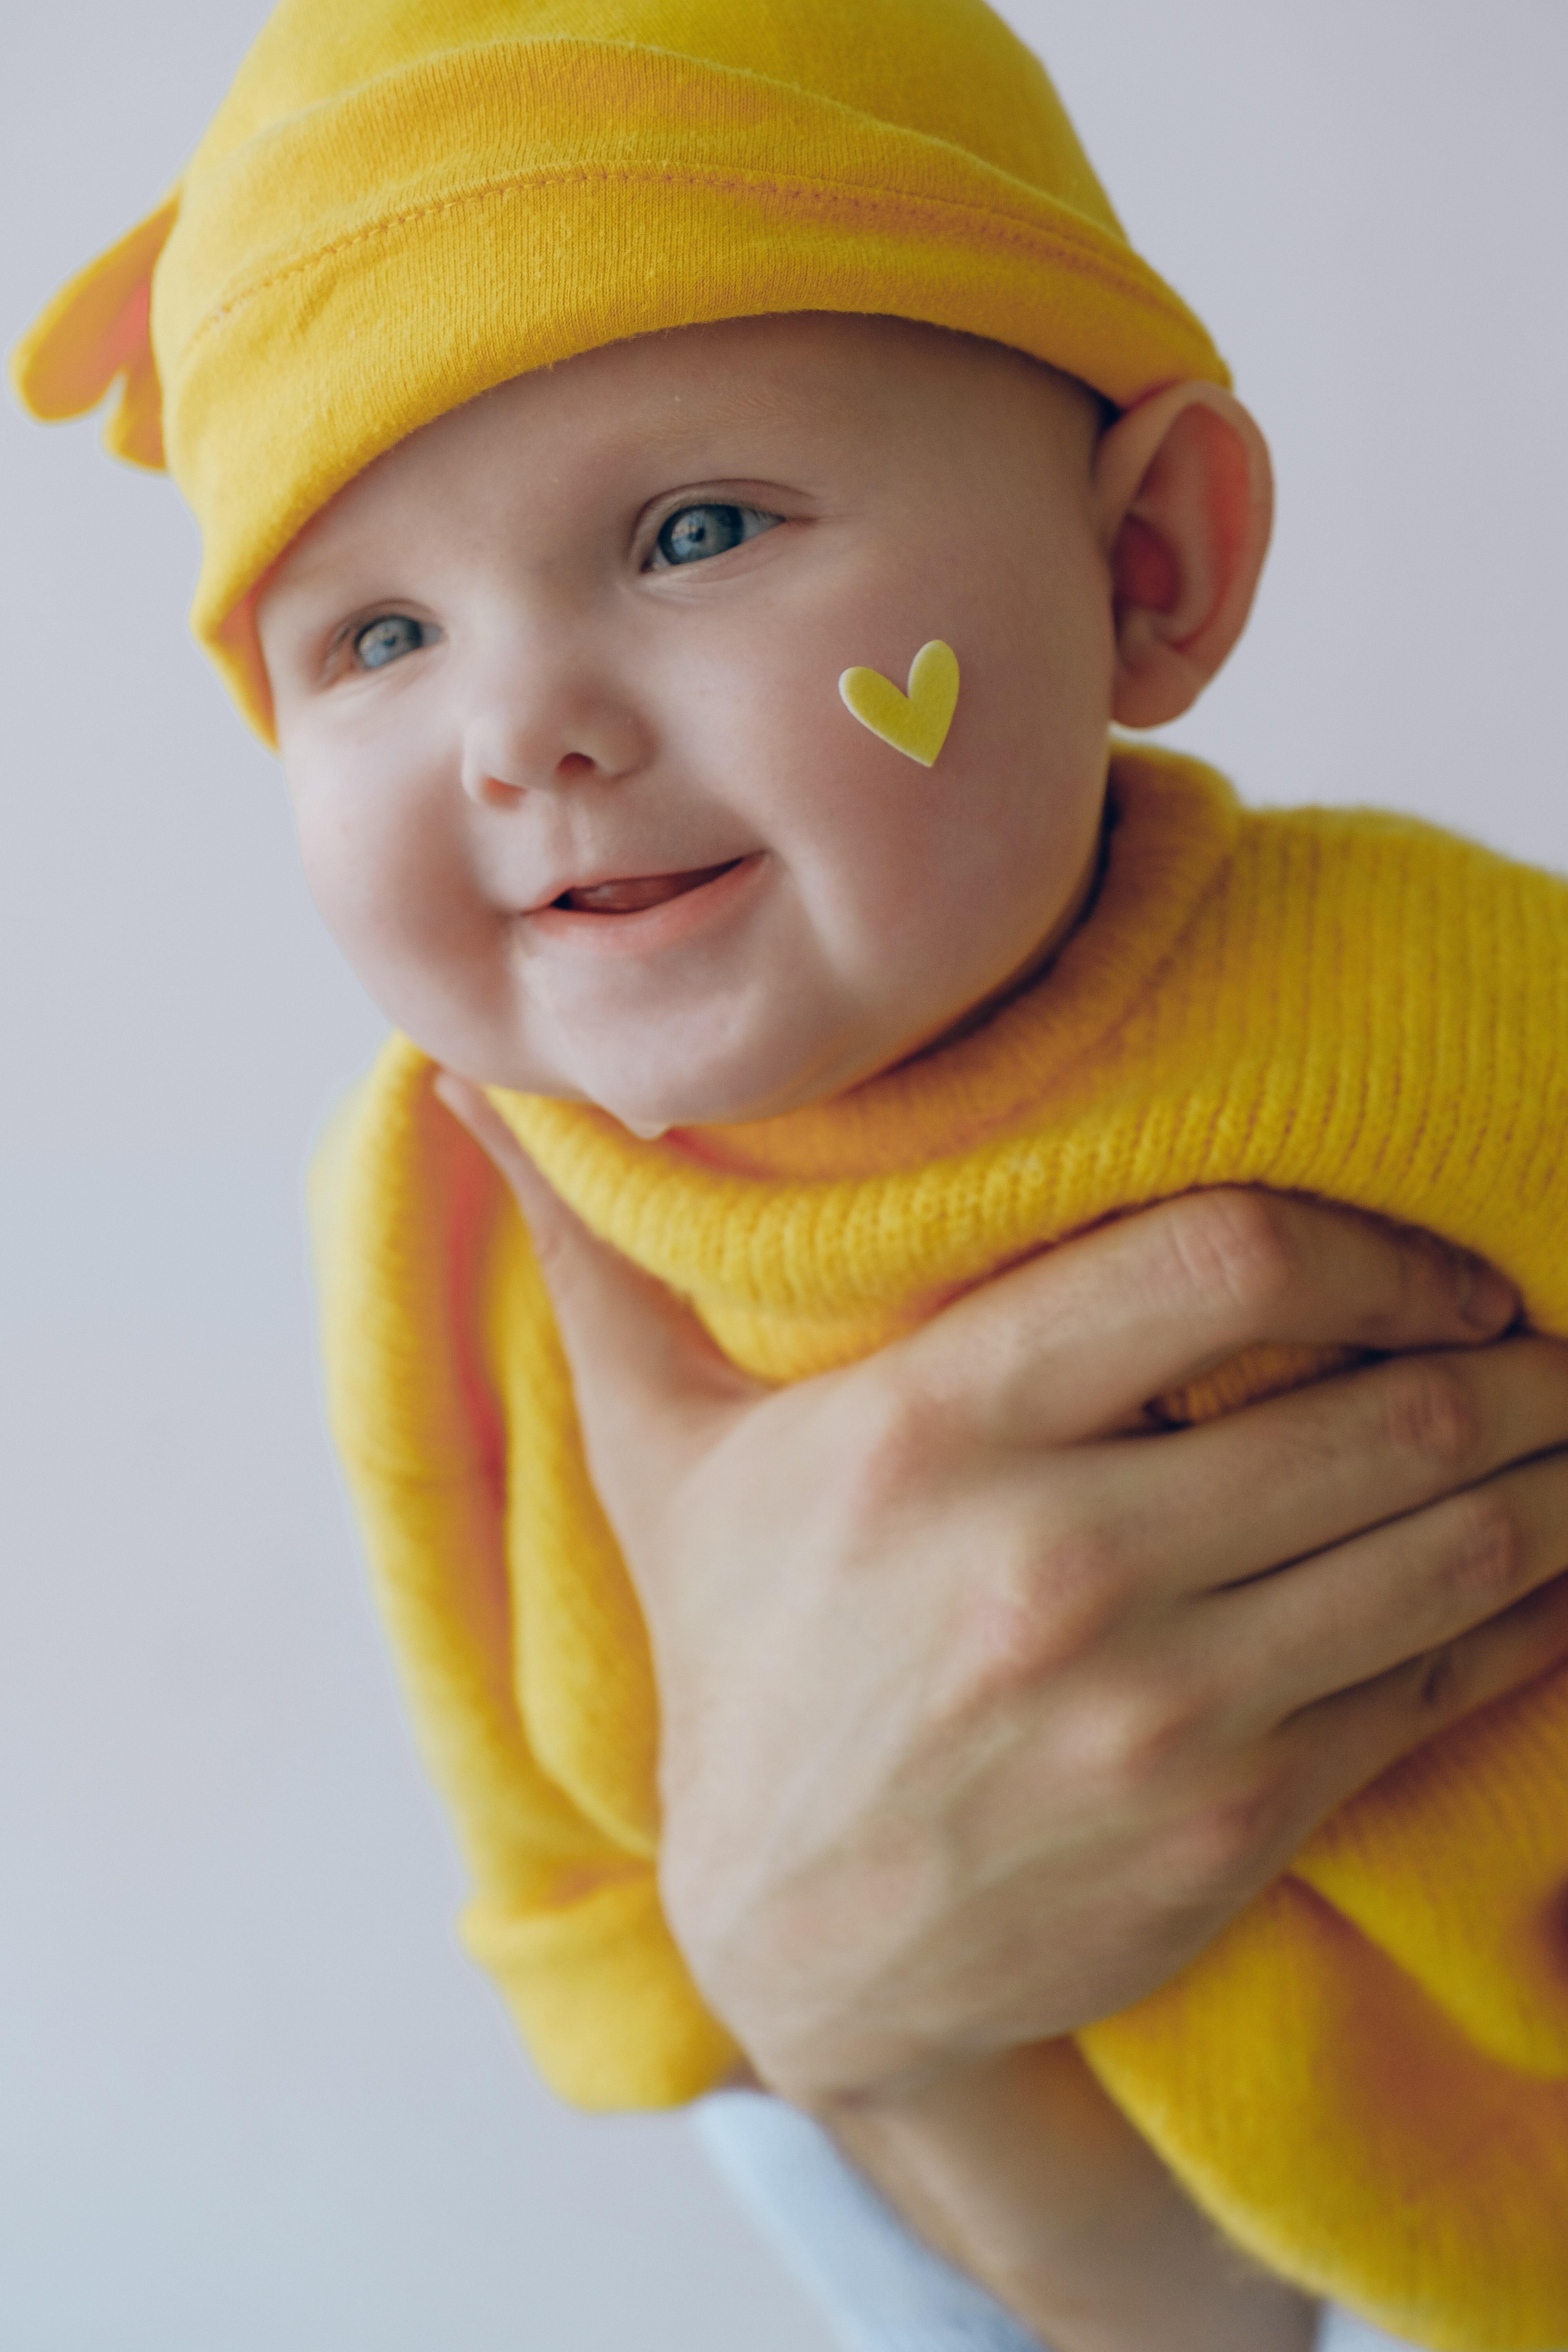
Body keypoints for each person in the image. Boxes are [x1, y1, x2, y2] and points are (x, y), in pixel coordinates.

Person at [13, 2, 1568, 2347]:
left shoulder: (1423, 998)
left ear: (1153, 561)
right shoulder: (448, 1201)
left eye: (697, 531)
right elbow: (490, 1669)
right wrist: (671, 1981)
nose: (521, 724)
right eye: (379, 636)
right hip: (1144, 2245)